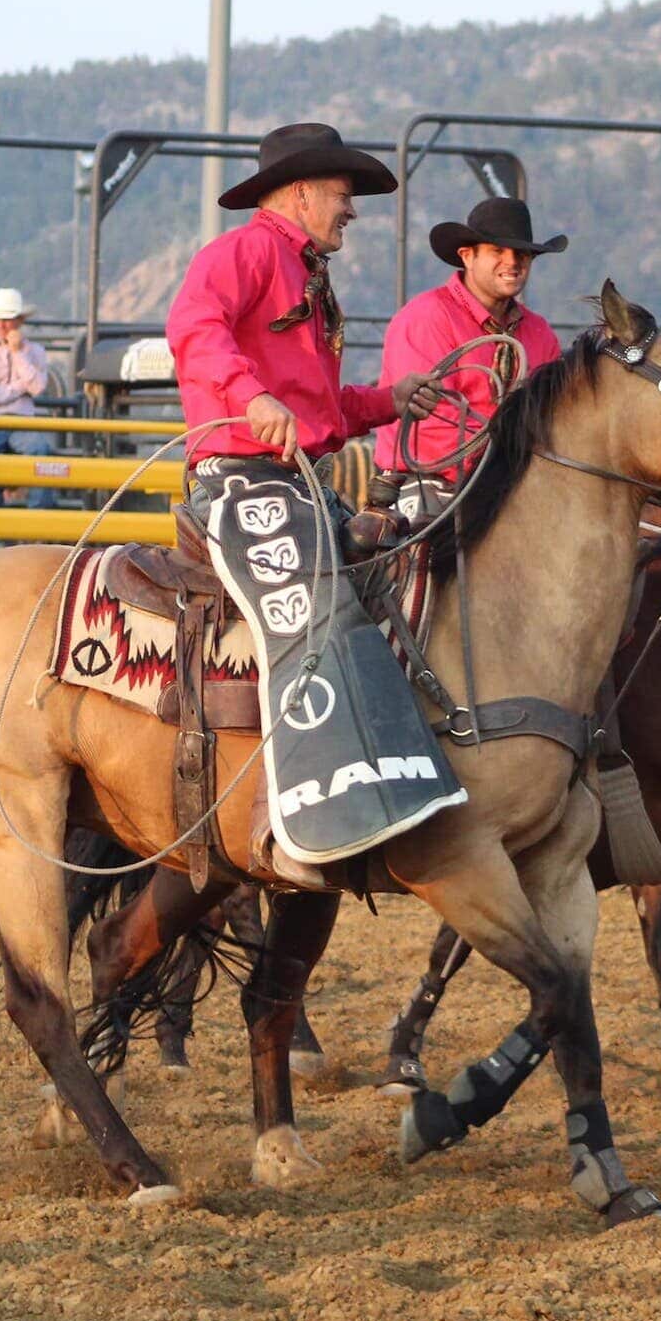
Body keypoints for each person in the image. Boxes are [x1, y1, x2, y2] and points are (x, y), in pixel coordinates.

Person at [166, 122, 459, 874]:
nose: (352, 210)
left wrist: (388, 399)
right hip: (241, 478)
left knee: (395, 578)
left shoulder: (304, 274)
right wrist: (251, 396)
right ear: (300, 193)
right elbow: (192, 327)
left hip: (297, 480)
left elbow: (320, 408)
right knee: (312, 605)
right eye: (342, 195)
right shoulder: (244, 252)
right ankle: (277, 815)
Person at [373, 197, 567, 497]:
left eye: (522, 254)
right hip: (428, 485)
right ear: (467, 256)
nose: (512, 263)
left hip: (518, 485)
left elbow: (555, 416)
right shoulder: (427, 317)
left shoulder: (540, 333)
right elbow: (431, 425)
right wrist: (513, 464)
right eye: (498, 251)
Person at [0, 287, 56, 510]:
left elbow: (37, 387)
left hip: (20, 422)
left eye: (9, 319)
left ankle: (39, 524)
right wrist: (18, 388)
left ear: (20, 321)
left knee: (41, 453)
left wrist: (17, 353)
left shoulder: (33, 351)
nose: (3, 325)